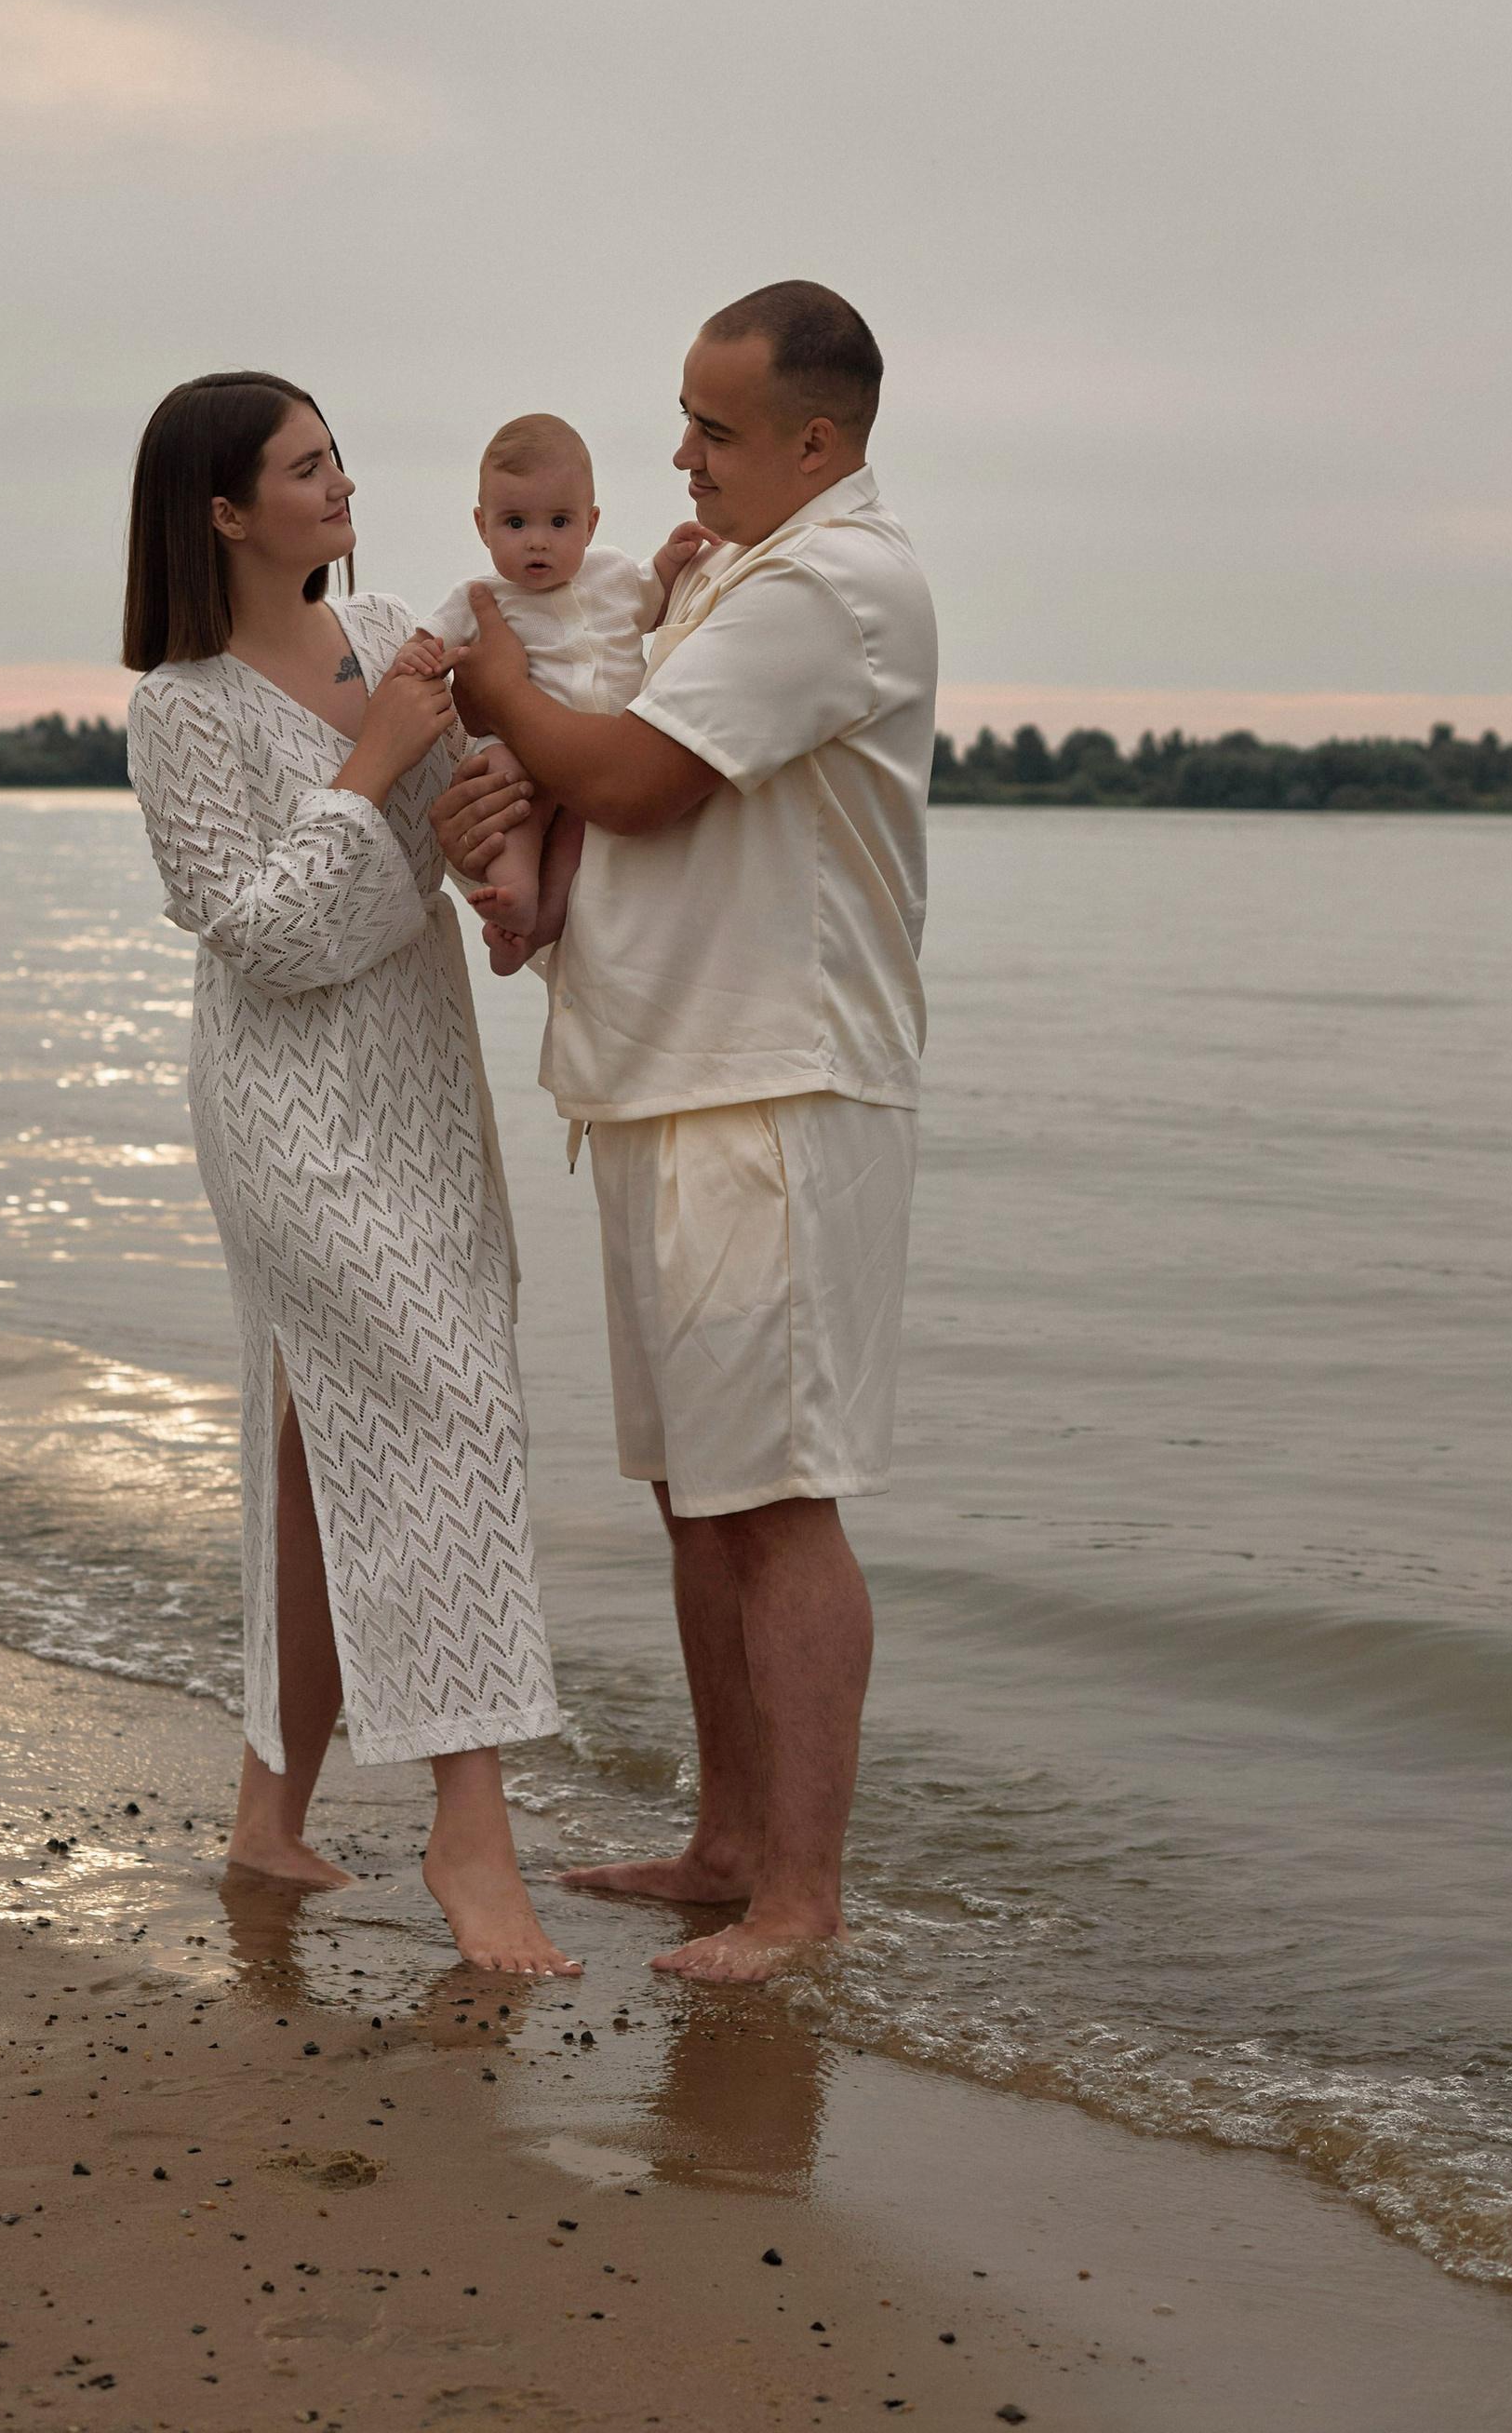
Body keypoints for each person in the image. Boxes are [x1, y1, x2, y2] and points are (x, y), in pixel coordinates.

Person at [438, 282, 935, 1982]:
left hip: (772, 1095)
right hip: (656, 1078)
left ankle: (800, 1897)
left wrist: (499, 691)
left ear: (817, 440)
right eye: (683, 420)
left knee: (778, 1498)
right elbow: (606, 779)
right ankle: (729, 1843)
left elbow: (640, 780)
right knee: (693, 1493)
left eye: (714, 430)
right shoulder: (724, 572)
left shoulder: (836, 584)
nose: (679, 454)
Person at [122, 370, 579, 1978]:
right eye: (304, 471)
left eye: (338, 460)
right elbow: (264, 940)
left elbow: (448, 852)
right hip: (286, 1118)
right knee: (454, 1408)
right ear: (226, 513)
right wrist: (370, 760)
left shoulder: (390, 628)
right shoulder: (178, 706)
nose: (340, 487)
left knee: (324, 1462)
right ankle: (473, 1826)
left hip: (419, 1095)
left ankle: (268, 1810)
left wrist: (482, 834)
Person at [399, 411, 707, 951]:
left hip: (606, 748)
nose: (537, 542)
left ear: (590, 524)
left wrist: (671, 558)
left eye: (559, 523)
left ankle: (539, 926)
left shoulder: (612, 572)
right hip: (523, 744)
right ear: (482, 526)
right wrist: (418, 654)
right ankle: (515, 890)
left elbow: (652, 598)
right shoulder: (481, 595)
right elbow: (432, 635)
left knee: (575, 840)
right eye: (515, 523)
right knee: (507, 791)